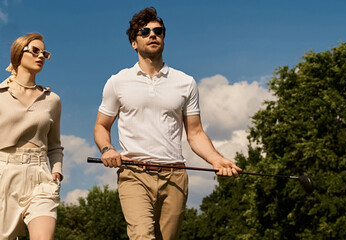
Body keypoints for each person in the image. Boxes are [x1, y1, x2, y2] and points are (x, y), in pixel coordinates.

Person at [94, 7, 241, 240]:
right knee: (142, 236)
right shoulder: (117, 82)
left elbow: (195, 133)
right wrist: (107, 149)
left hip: (175, 177)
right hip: (134, 174)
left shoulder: (186, 83)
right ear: (134, 42)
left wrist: (216, 159)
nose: (153, 35)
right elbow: (102, 126)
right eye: (145, 32)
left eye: (158, 31)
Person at [0, 33, 63, 240]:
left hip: (41, 177)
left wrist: (56, 170)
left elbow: (55, 145)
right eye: (35, 51)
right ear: (19, 54)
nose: (40, 56)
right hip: (5, 175)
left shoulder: (52, 100)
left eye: (44, 53)